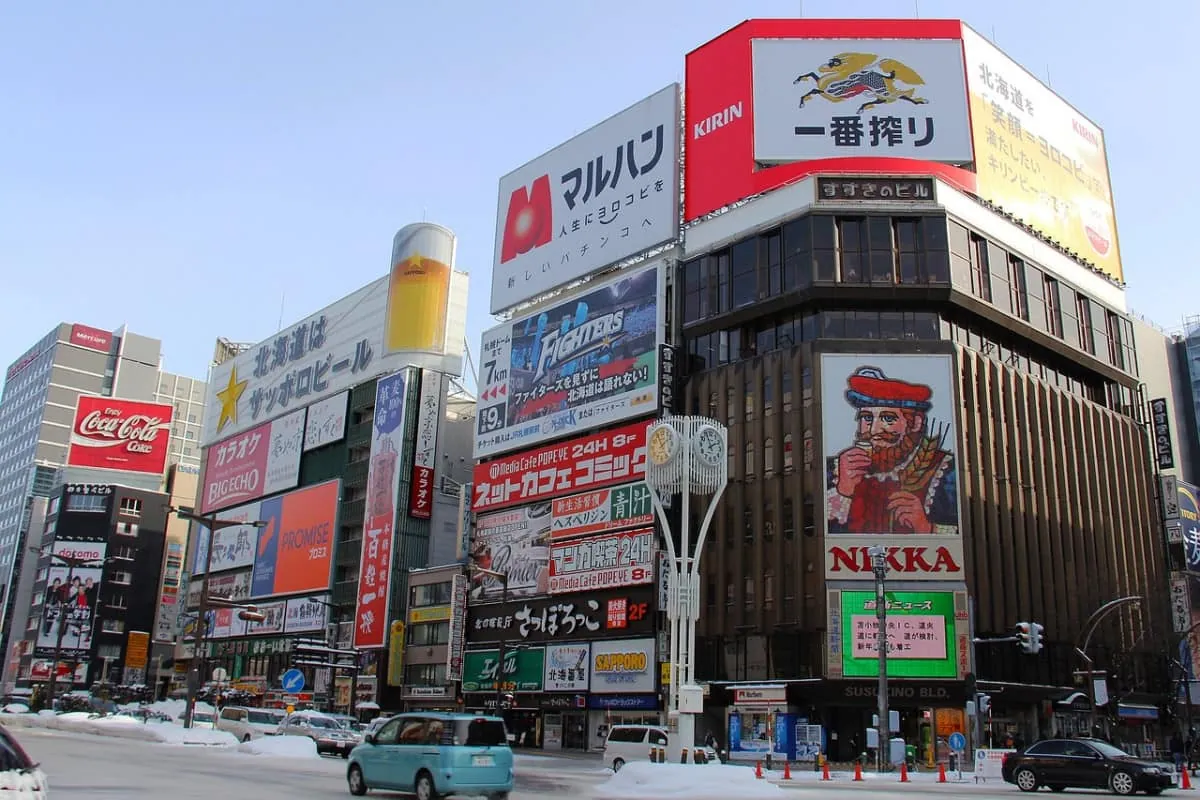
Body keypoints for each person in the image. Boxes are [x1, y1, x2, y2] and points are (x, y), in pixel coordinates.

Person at [826, 366, 957, 535]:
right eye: (867, 418)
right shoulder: (833, 470)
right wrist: (842, 492)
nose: (873, 430)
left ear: (916, 423)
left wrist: (926, 527)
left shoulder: (946, 471)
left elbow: (972, 537)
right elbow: (813, 533)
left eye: (888, 418)